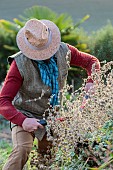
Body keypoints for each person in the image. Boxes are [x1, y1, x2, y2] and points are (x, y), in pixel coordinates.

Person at [0, 18, 100, 170]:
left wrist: (92, 81)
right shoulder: (19, 64)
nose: (44, 55)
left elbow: (91, 62)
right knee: (22, 149)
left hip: (52, 117)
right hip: (24, 114)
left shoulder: (65, 51)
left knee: (47, 159)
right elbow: (3, 101)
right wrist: (23, 120)